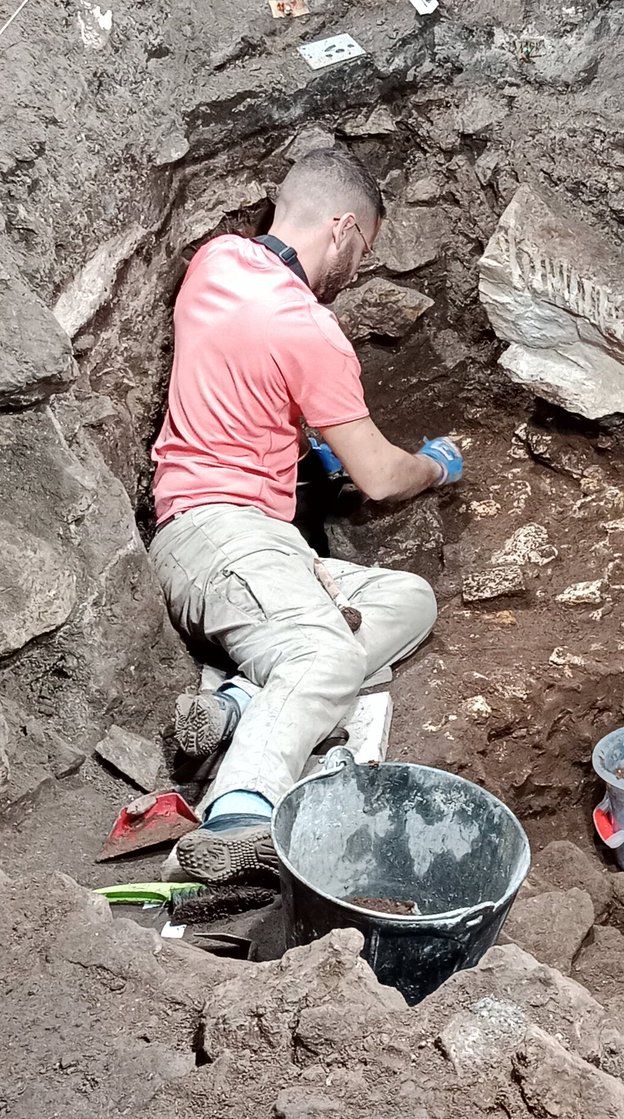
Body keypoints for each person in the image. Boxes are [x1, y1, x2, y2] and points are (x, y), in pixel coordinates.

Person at [148, 148, 463, 885]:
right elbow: (381, 477)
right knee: (320, 658)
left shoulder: (214, 262)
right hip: (232, 540)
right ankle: (239, 819)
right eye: (363, 252)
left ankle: (238, 701)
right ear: (345, 228)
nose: (354, 272)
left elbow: (244, 390)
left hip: (206, 542)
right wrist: (436, 466)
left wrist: (302, 458)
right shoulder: (309, 327)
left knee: (406, 599)